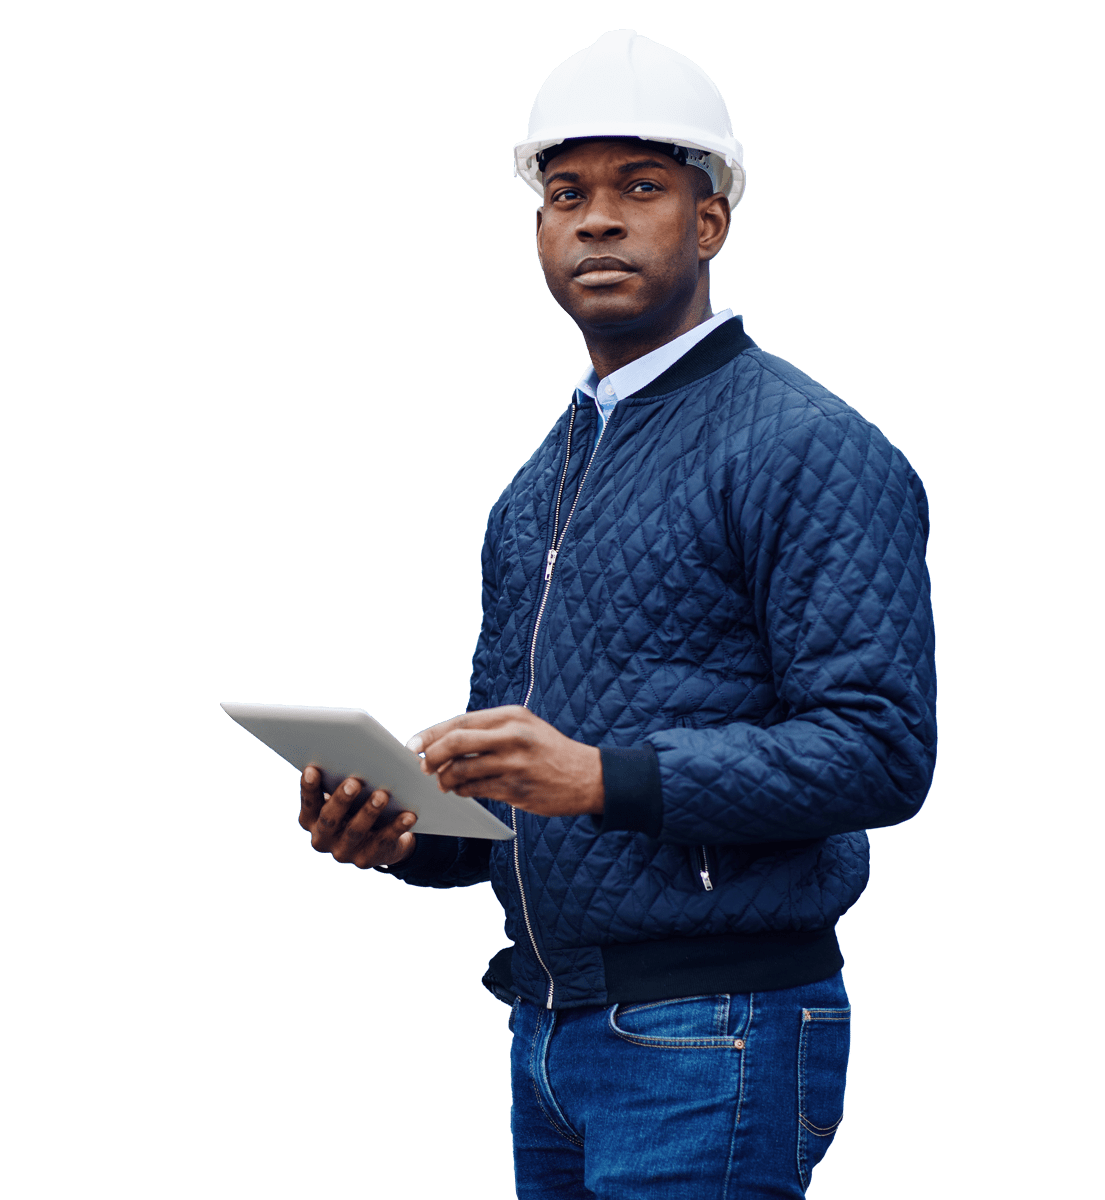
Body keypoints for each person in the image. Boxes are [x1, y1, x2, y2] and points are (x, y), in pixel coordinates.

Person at [297, 30, 936, 1200]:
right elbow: (521, 791)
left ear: (709, 222)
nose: (596, 219)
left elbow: (880, 749)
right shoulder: (534, 484)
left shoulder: (809, 448)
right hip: (548, 1030)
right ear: (537, 231)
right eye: (565, 193)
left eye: (640, 187)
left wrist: (601, 776)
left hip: (717, 1030)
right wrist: (409, 832)